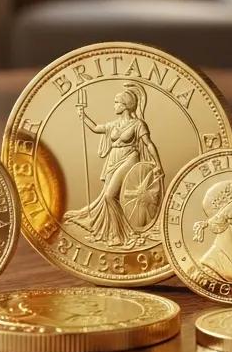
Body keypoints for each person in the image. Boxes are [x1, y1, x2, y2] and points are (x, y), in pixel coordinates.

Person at [64, 82, 163, 248]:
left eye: (117, 102)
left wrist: (157, 164)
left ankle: (124, 234)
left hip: (130, 158)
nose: (114, 105)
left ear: (125, 105)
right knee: (109, 197)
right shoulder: (113, 125)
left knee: (110, 196)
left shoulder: (138, 124)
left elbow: (149, 144)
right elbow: (96, 128)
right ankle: (114, 233)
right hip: (113, 159)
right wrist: (83, 116)